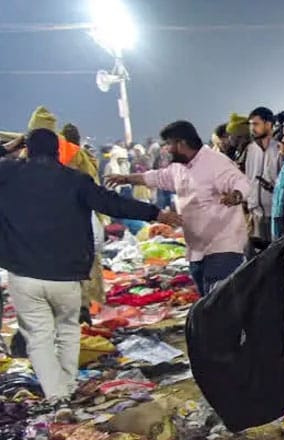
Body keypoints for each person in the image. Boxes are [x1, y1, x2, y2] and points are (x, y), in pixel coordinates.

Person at [0, 129, 180, 400]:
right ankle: (68, 387)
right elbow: (113, 204)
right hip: (66, 274)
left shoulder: (8, 174)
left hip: (23, 273)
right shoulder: (75, 181)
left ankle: (57, 395)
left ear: (26, 150)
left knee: (39, 337)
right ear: (59, 151)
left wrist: (6, 149)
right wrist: (156, 213)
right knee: (68, 330)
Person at [107, 121, 251, 296]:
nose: (167, 149)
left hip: (223, 248)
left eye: (169, 144)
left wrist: (235, 195)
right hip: (196, 250)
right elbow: (156, 177)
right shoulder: (179, 167)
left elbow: (241, 182)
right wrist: (126, 179)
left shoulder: (215, 162)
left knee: (220, 305)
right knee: (205, 304)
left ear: (182, 143)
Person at [242, 107, 282, 249]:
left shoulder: (280, 148)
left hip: (275, 216)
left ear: (269, 124)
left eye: (256, 124)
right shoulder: (249, 150)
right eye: (251, 124)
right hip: (255, 216)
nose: (252, 128)